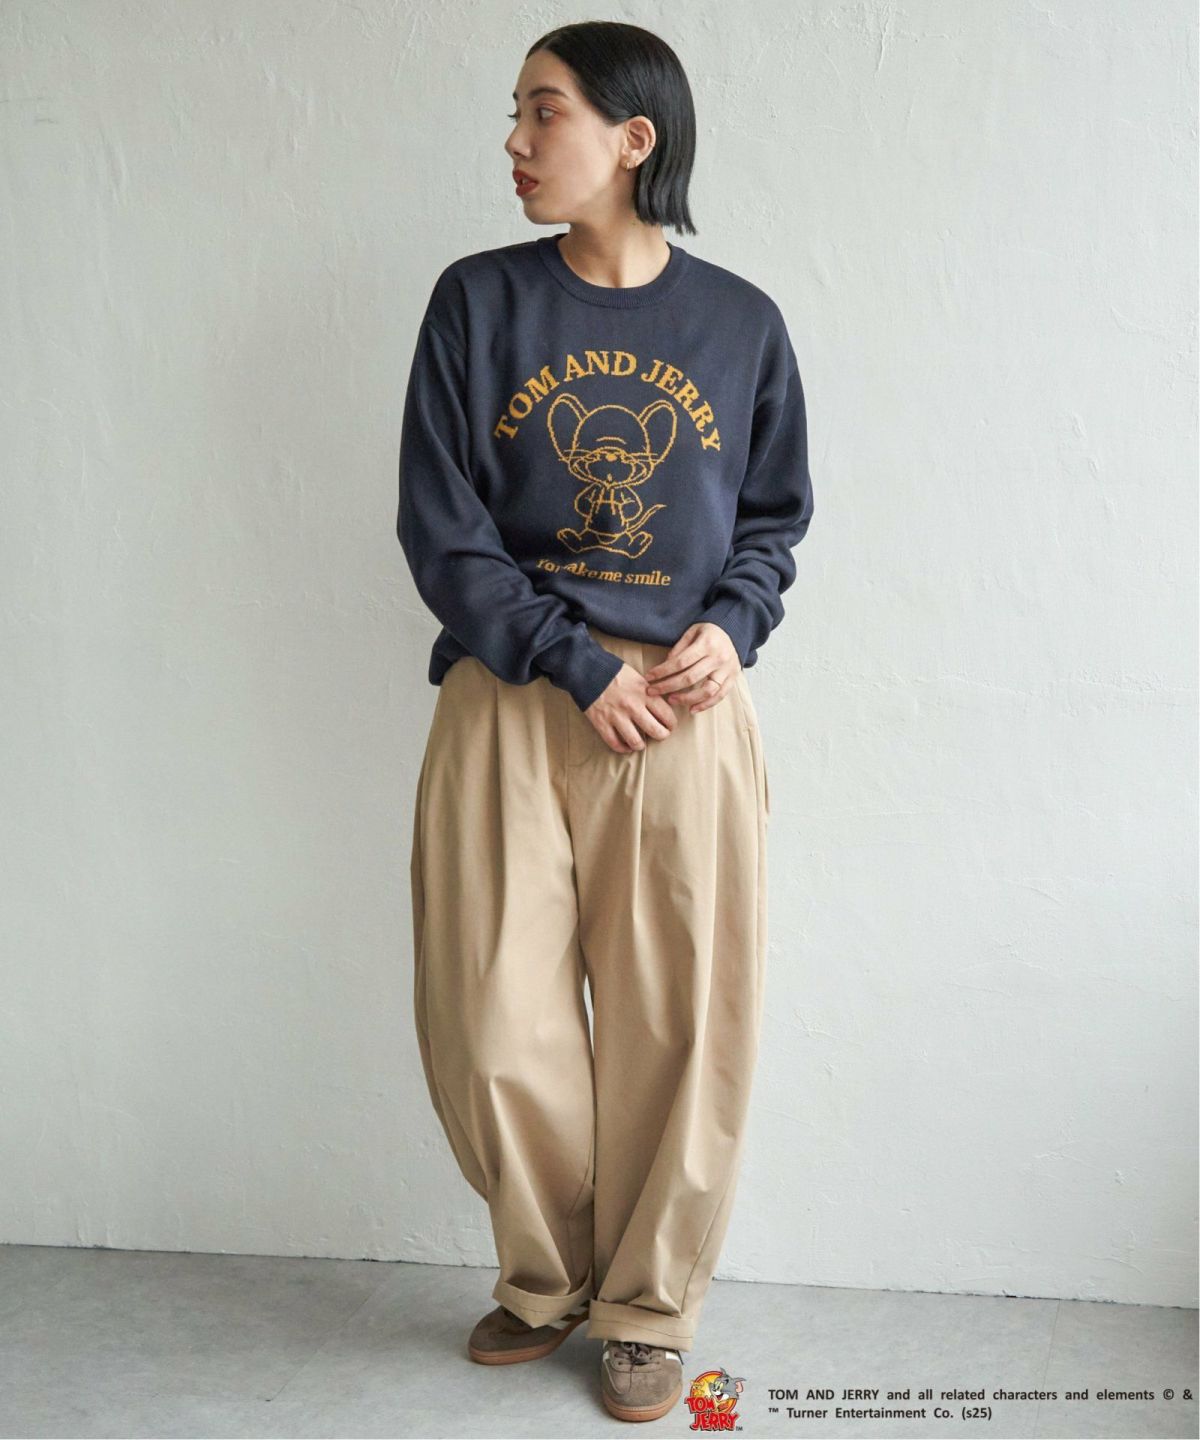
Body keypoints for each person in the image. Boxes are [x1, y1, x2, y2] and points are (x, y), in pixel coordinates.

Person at [397, 19, 814, 1424]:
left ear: (635, 139)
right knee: (489, 1014)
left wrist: (732, 625)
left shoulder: (740, 324)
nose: (516, 142)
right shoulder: (477, 304)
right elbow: (443, 525)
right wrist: (574, 662)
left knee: (680, 1020)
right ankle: (547, 1277)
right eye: (516, 113)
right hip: (516, 690)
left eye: (544, 113)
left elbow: (772, 521)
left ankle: (647, 1309)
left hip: (685, 706)